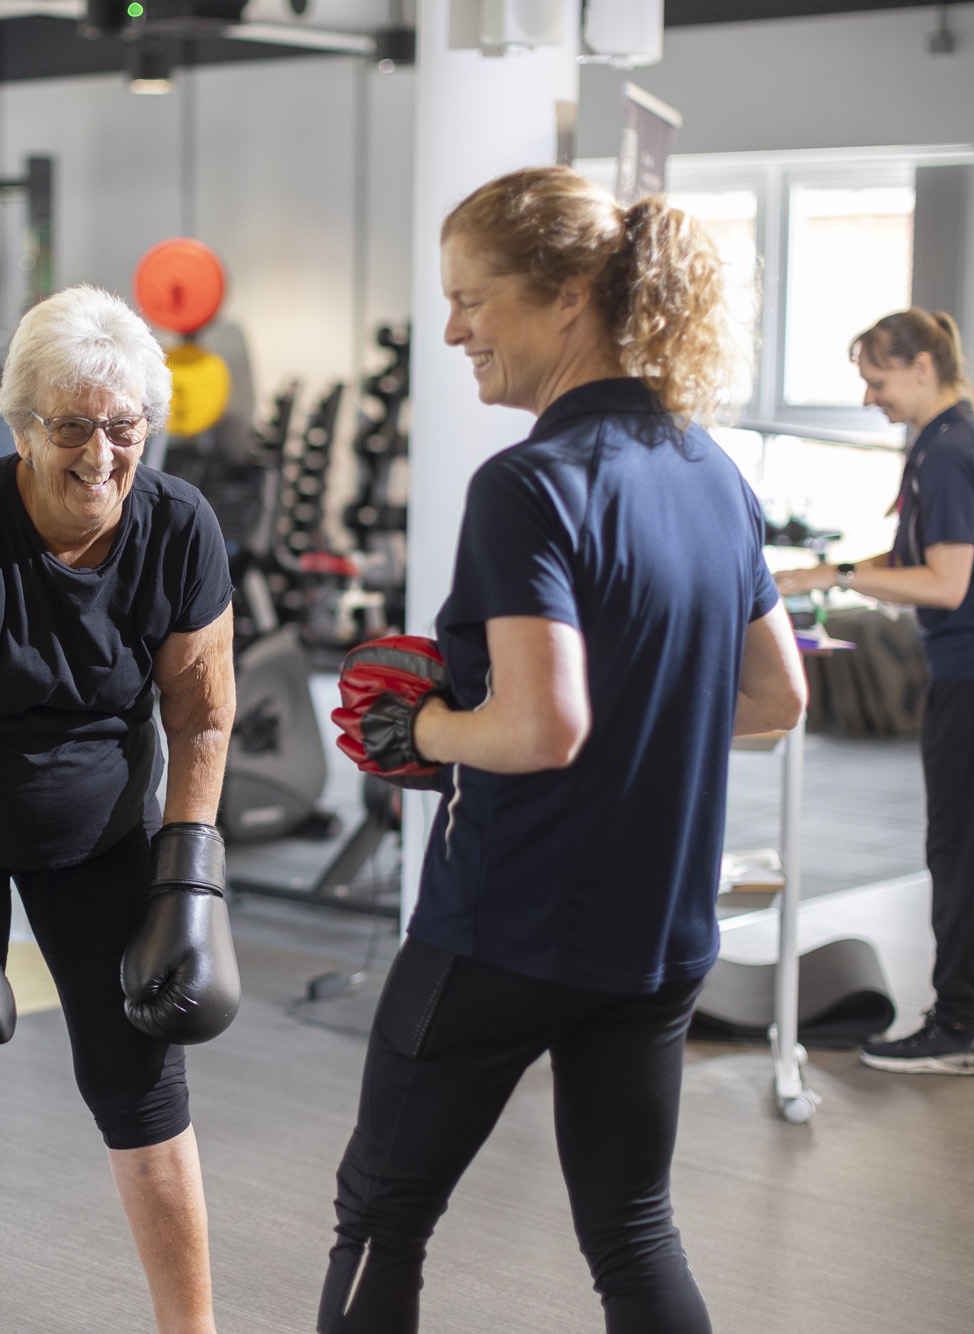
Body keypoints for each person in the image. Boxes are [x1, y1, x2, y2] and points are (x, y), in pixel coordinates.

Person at [320, 166, 807, 1334]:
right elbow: (775, 694)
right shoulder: (713, 475)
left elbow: (541, 726)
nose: (451, 330)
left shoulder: (528, 486)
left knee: (380, 1216)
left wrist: (422, 731)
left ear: (570, 295)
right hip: (658, 936)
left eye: (473, 298)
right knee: (632, 1231)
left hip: (505, 925)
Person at [0, 284, 239, 1334]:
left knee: (139, 1073)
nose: (100, 454)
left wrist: (188, 874)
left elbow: (202, 715)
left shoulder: (177, 526)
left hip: (101, 829)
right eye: (70, 427)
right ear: (21, 423)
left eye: (123, 428)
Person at [776, 309, 974, 1075]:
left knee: (961, 845)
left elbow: (943, 582)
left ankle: (959, 1025)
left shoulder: (951, 451)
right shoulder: (954, 436)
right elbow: (917, 558)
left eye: (876, 380)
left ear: (922, 365)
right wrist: (820, 571)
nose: (870, 397)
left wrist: (834, 577)